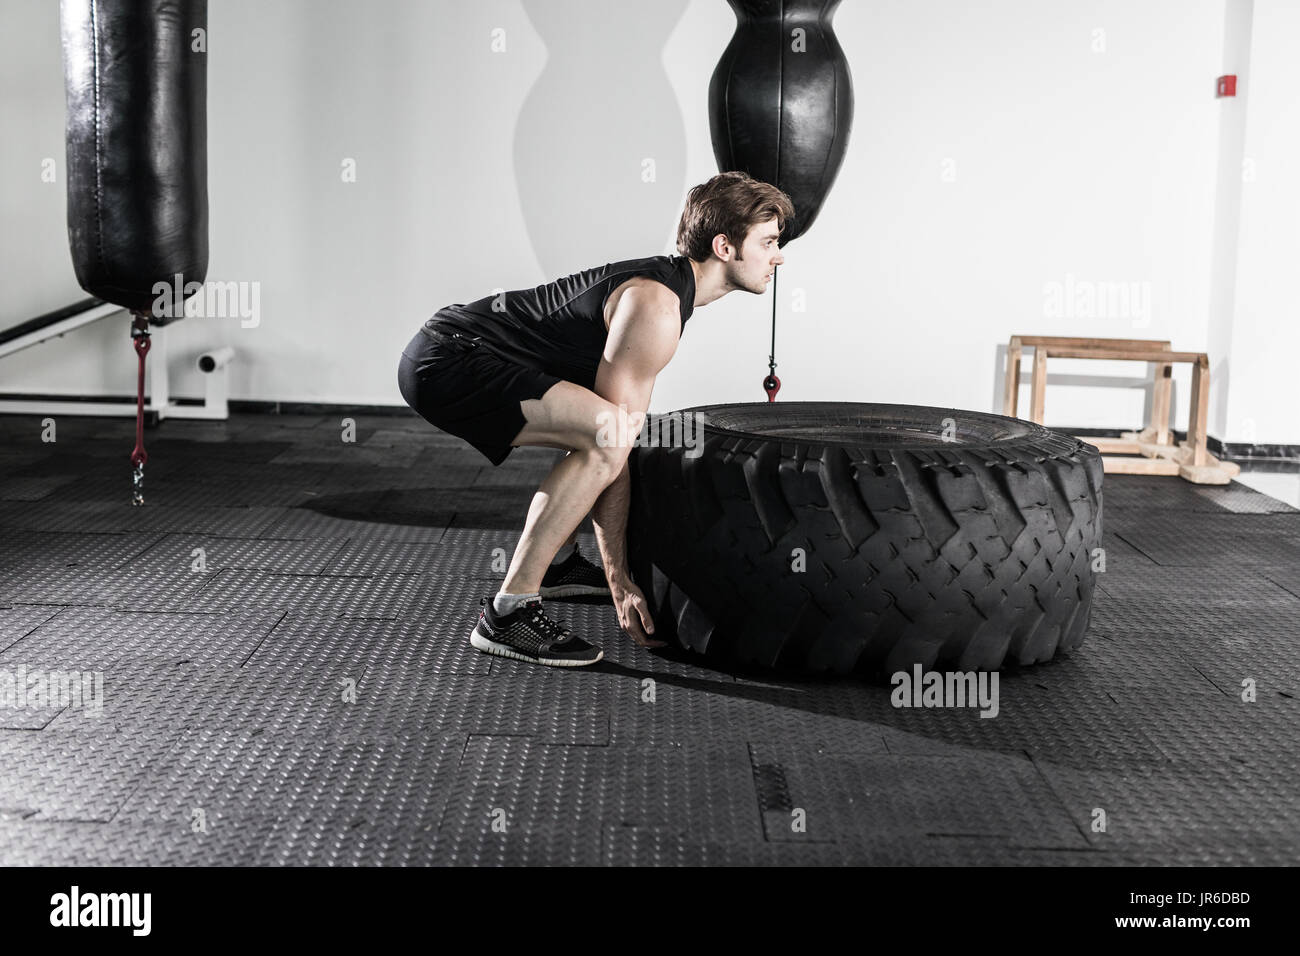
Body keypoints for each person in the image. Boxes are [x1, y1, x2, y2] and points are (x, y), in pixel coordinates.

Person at [397, 171, 793, 667]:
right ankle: (508, 613)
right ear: (725, 246)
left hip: (453, 351)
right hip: (448, 360)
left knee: (602, 431)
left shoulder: (666, 291)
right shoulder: (657, 307)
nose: (778, 256)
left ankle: (556, 565)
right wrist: (619, 578)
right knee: (610, 437)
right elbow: (613, 443)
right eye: (770, 242)